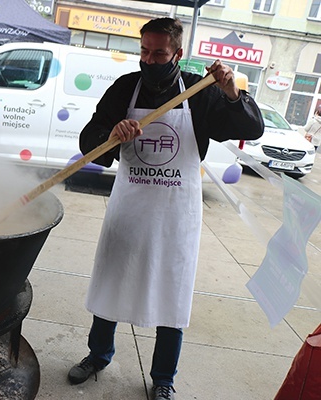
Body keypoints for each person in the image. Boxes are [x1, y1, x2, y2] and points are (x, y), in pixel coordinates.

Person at [67, 18, 264, 400]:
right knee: (112, 279)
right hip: (130, 207)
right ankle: (98, 355)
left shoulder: (199, 89)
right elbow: (89, 139)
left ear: (177, 53)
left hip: (176, 214)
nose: (149, 59)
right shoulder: (125, 88)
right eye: (144, 51)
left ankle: (163, 378)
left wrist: (231, 92)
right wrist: (111, 136)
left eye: (159, 53)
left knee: (171, 292)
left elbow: (251, 128)